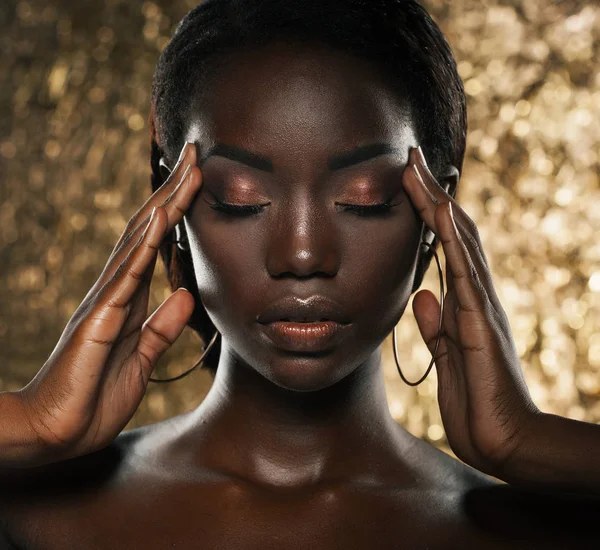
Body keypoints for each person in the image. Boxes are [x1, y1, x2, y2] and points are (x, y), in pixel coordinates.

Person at [0, 0, 599, 548]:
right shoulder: (30, 516)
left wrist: (533, 443)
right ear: (171, 208)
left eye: (364, 200)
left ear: (434, 216)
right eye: (242, 199)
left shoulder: (541, 531)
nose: (304, 255)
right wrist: (30, 426)